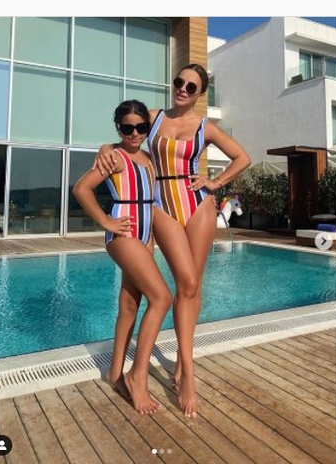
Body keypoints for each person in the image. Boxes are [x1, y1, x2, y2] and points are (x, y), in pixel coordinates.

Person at [93, 64, 252, 418]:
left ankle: (184, 365)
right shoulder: (153, 117)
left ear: (200, 93)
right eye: (179, 82)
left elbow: (243, 158)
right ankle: (161, 372)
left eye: (191, 86)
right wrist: (105, 146)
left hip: (197, 205)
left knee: (192, 287)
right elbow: (125, 136)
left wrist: (215, 182)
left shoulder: (206, 127)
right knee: (179, 283)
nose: (182, 88)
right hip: (161, 206)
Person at [73, 99, 173, 415]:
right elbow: (81, 189)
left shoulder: (148, 158)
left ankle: (115, 373)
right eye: (127, 128)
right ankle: (137, 376)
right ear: (118, 128)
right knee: (162, 298)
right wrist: (105, 221)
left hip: (145, 235)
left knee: (131, 303)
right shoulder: (115, 157)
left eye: (141, 127)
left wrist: (152, 238)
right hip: (124, 233)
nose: (135, 133)